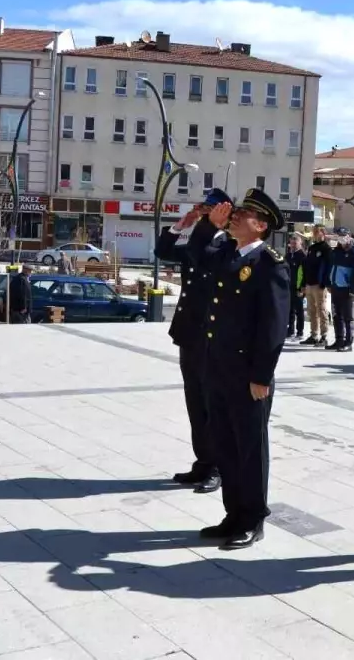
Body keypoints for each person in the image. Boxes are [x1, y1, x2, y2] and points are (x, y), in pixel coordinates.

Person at [182, 188, 290, 549]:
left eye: (242, 213)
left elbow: (273, 327)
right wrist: (205, 225)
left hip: (248, 376)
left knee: (250, 448)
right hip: (218, 368)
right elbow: (196, 256)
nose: (235, 216)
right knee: (225, 445)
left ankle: (253, 518)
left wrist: (261, 376)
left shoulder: (270, 265)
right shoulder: (227, 253)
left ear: (259, 225)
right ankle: (233, 514)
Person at [155, 188, 233, 494]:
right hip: (190, 332)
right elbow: (163, 251)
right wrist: (180, 226)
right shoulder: (198, 239)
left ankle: (218, 467)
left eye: (208, 210)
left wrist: (205, 228)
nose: (202, 214)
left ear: (222, 214)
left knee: (213, 404)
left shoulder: (227, 244)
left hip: (212, 335)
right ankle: (203, 461)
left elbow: (203, 262)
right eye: (202, 209)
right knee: (195, 401)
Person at [327, 228, 354, 352]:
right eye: (339, 236)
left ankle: (348, 342)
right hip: (335, 287)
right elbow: (331, 268)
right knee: (336, 315)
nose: (341, 238)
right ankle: (339, 340)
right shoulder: (336, 251)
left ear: (348, 236)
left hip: (347, 289)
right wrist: (329, 283)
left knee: (348, 316)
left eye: (343, 235)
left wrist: (353, 289)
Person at [300, 225, 332, 347]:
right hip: (309, 283)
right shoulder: (312, 248)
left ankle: (324, 336)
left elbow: (328, 268)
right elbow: (306, 266)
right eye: (314, 232)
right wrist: (303, 283)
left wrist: (325, 282)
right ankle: (314, 335)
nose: (314, 234)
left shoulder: (326, 249)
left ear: (323, 233)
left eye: (317, 232)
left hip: (319, 284)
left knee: (321, 310)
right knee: (311, 311)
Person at [286, 233, 307, 341]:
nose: (293, 245)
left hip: (299, 287)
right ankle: (290, 331)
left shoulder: (302, 256)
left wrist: (302, 287)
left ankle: (300, 332)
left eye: (295, 243)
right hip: (289, 286)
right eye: (292, 243)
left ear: (300, 243)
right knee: (290, 310)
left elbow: (305, 273)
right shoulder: (289, 255)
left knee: (299, 310)